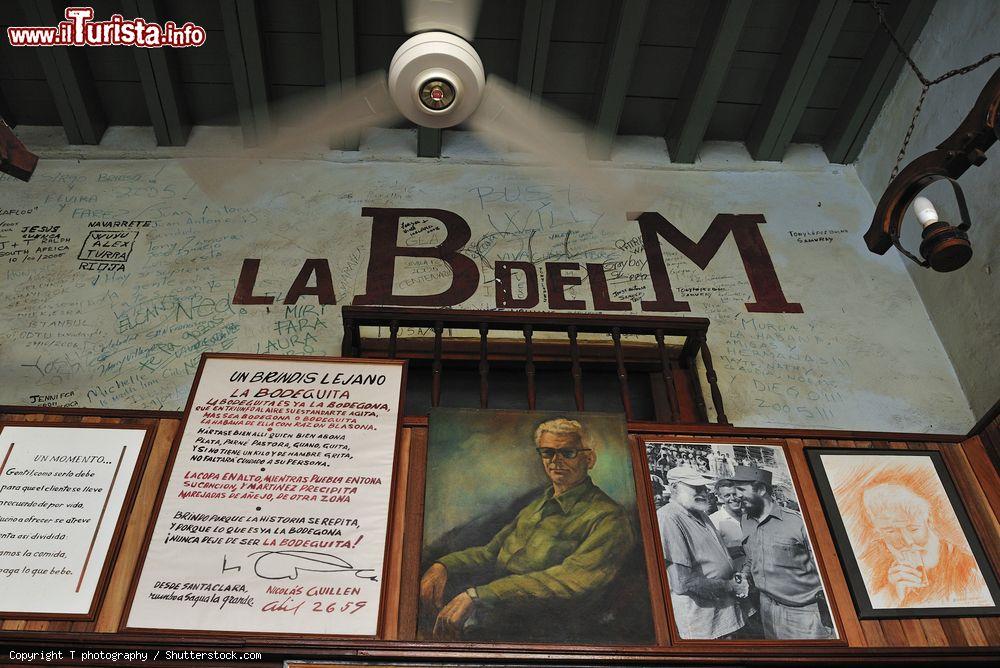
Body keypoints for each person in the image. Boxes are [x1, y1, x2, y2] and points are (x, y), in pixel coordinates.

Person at [419, 418, 634, 640]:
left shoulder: (609, 517)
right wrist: (443, 565)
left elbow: (569, 579)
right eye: (547, 452)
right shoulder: (538, 505)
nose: (555, 461)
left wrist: (478, 595)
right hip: (497, 618)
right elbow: (491, 553)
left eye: (568, 452)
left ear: (589, 459)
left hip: (550, 634)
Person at [733, 466, 834, 640]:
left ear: (761, 490)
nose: (736, 496)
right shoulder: (746, 520)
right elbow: (752, 557)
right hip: (767, 609)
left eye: (742, 489)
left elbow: (828, 572)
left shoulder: (798, 523)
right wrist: (744, 575)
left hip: (804, 614)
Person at [861, 483, 991, 608]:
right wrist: (892, 593)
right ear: (879, 531)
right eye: (891, 531)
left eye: (913, 529)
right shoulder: (872, 559)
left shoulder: (966, 564)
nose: (907, 541)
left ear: (929, 521)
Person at [657, 466, 745, 639]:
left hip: (725, 611)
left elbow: (714, 555)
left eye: (703, 487)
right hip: (704, 621)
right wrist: (730, 586)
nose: (703, 492)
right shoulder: (668, 517)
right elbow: (683, 582)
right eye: (696, 488)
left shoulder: (698, 512)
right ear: (674, 487)